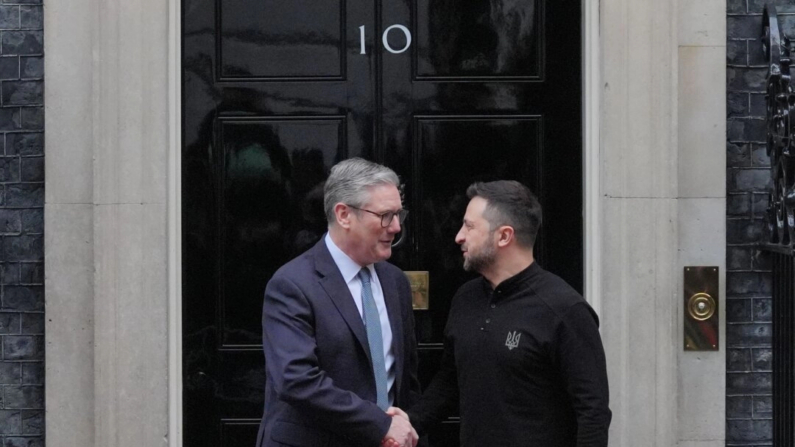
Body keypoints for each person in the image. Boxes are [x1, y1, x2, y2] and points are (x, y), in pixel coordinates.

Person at [404, 180, 611, 447]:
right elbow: (451, 380)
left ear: (504, 236)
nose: (459, 236)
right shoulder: (465, 299)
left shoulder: (564, 310)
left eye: (469, 226)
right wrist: (408, 423)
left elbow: (592, 412)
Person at [256, 158, 420, 447]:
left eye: (399, 215)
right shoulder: (292, 285)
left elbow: (406, 378)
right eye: (385, 215)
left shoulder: (395, 282)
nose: (396, 227)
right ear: (344, 215)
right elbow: (297, 380)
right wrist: (380, 425)